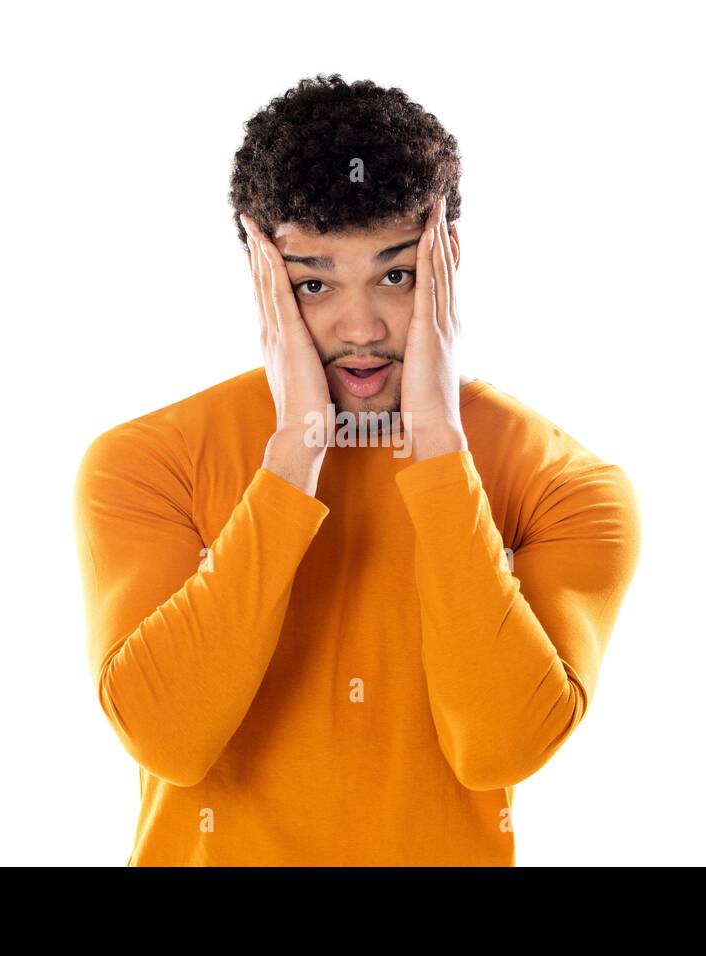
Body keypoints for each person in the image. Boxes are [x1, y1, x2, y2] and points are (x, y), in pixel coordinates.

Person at [71, 73, 641, 866]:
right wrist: (293, 454)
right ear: (262, 281)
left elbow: (500, 749)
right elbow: (170, 740)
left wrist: (440, 440)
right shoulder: (146, 463)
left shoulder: (566, 487)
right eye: (313, 283)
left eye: (396, 275)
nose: (361, 325)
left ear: (449, 263)